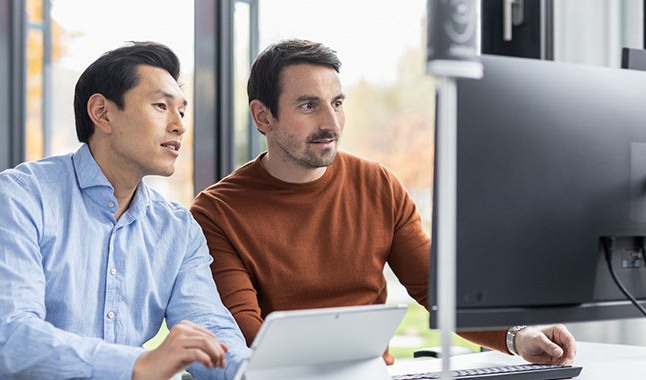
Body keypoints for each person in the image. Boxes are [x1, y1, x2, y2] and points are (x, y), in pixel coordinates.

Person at [189, 39, 577, 365]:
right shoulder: (216, 213)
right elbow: (244, 331)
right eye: (309, 106)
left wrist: (519, 336)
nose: (332, 123)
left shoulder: (378, 185)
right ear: (263, 116)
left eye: (337, 103)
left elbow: (435, 289)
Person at [0, 42, 247, 380]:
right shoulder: (15, 199)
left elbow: (210, 329)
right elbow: (12, 337)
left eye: (182, 111)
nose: (179, 126)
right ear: (102, 113)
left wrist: (258, 372)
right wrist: (140, 364)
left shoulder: (178, 228)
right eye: (160, 106)